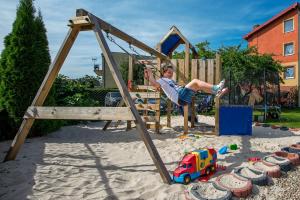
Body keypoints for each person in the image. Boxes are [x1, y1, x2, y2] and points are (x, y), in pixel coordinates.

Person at [144, 64, 228, 106]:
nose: (170, 74)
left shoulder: (170, 80)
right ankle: (216, 88)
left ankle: (216, 92)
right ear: (163, 72)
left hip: (183, 98)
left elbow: (175, 87)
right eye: (169, 72)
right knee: (195, 81)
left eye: (172, 73)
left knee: (198, 86)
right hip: (179, 97)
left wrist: (184, 86)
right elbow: (155, 85)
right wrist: (150, 74)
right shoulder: (161, 80)